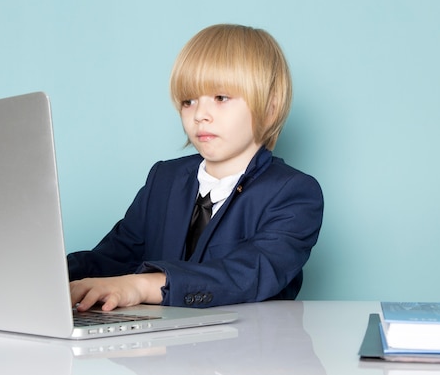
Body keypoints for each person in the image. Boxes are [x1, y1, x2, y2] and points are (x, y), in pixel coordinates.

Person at [68, 24, 324, 312]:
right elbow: (113, 257)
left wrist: (140, 285)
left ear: (269, 108)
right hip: (163, 345)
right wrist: (52, 273)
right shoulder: (163, 179)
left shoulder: (294, 192)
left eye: (221, 98)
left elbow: (248, 274)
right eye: (188, 101)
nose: (200, 115)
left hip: (248, 349)